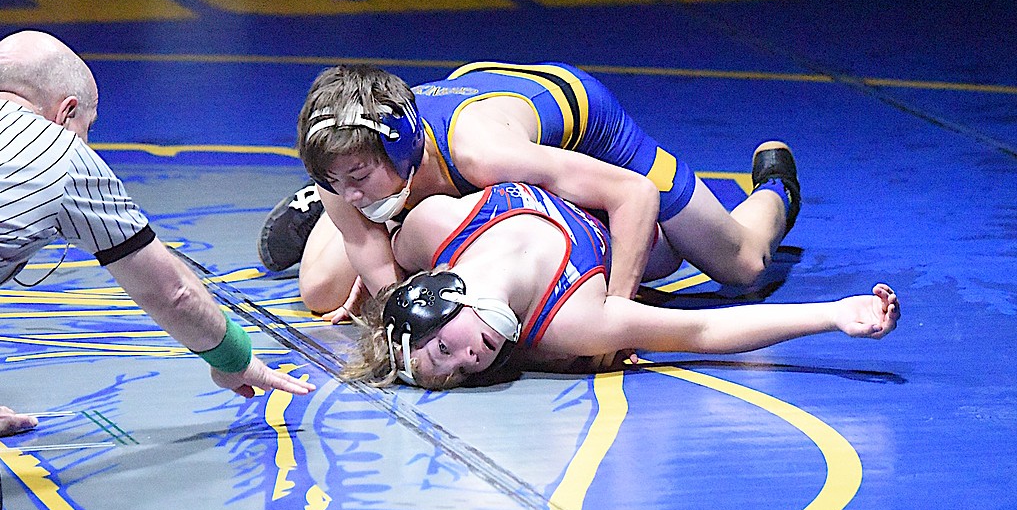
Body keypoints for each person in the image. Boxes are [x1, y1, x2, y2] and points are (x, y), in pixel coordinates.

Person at [0, 30, 314, 510]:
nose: (88, 140)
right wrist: (235, 358)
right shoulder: (63, 154)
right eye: (89, 127)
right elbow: (171, 293)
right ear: (67, 111)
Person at [258, 63, 801, 321]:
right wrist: (392, 298)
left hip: (587, 129)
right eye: (332, 183)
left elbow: (634, 194)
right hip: (453, 137)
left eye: (356, 178)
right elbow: (392, 296)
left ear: (400, 152)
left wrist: (616, 313)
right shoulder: (339, 165)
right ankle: (348, 210)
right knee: (323, 292)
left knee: (742, 266)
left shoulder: (483, 153)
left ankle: (774, 191)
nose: (346, 192)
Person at [341, 182, 899, 389]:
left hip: (621, 175)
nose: (471, 358)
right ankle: (777, 191)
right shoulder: (574, 321)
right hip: (646, 239)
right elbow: (702, 329)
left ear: (434, 296)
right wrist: (831, 314)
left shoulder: (428, 230)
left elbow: (371, 222)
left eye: (445, 349)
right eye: (462, 373)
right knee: (747, 263)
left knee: (324, 276)